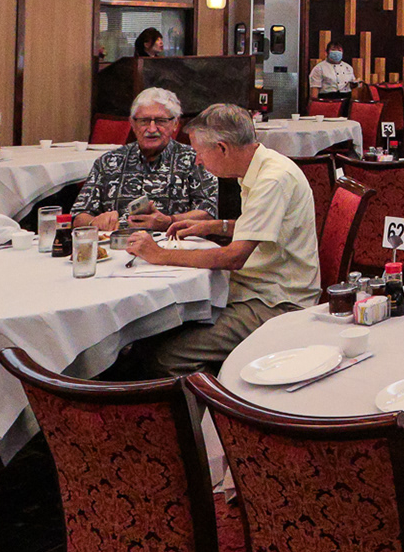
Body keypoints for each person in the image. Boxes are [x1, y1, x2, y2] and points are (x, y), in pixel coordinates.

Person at [126, 104, 322, 374]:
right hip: (255, 288)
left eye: (199, 152)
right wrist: (213, 226)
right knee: (152, 328)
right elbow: (264, 227)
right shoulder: (258, 166)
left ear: (222, 148)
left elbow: (234, 257)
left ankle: (213, 398)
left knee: (166, 354)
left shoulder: (272, 179)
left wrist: (158, 254)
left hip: (277, 302)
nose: (197, 161)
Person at [71, 88, 217, 231]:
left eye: (161, 121)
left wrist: (169, 221)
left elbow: (209, 212)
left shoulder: (195, 160)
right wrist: (94, 222)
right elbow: (78, 216)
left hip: (174, 242)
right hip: (118, 243)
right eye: (144, 121)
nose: (152, 129)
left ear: (175, 124)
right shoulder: (108, 161)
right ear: (132, 124)